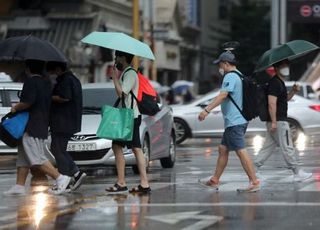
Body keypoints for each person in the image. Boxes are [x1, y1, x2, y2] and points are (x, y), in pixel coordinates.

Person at [4, 59, 72, 196]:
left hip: (31, 125)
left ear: (28, 68)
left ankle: (61, 178)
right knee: (23, 157)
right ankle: (19, 185)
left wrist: (15, 107)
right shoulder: (46, 83)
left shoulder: (31, 81)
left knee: (36, 158)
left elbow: (28, 102)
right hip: (40, 123)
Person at [198, 51, 260, 192]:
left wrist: (206, 110)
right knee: (223, 149)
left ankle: (254, 181)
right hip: (236, 120)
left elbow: (223, 95)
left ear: (226, 64)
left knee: (240, 151)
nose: (219, 68)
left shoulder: (231, 76)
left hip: (235, 121)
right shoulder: (238, 74)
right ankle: (214, 180)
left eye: (220, 64)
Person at [254, 60, 312, 182]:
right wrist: (274, 122)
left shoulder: (279, 82)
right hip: (279, 121)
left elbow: (284, 99)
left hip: (276, 121)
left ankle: (254, 170)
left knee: (268, 147)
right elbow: (271, 103)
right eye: (283, 66)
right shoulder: (275, 83)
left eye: (287, 66)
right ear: (276, 68)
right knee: (287, 146)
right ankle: (296, 172)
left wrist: (293, 91)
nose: (286, 68)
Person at [105, 50, 151, 194]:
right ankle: (142, 183)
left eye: (117, 57)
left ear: (123, 57)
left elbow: (122, 93)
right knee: (134, 148)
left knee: (122, 147)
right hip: (131, 116)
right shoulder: (127, 72)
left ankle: (123, 182)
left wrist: (114, 78)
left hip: (130, 117)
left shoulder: (130, 73)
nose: (115, 60)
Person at [46, 61, 86, 191]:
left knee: (58, 149)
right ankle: (73, 174)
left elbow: (65, 97)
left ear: (58, 68)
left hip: (63, 121)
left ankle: (67, 177)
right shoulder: (73, 79)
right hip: (67, 121)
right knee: (58, 149)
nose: (51, 74)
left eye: (52, 71)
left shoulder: (65, 80)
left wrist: (49, 97)